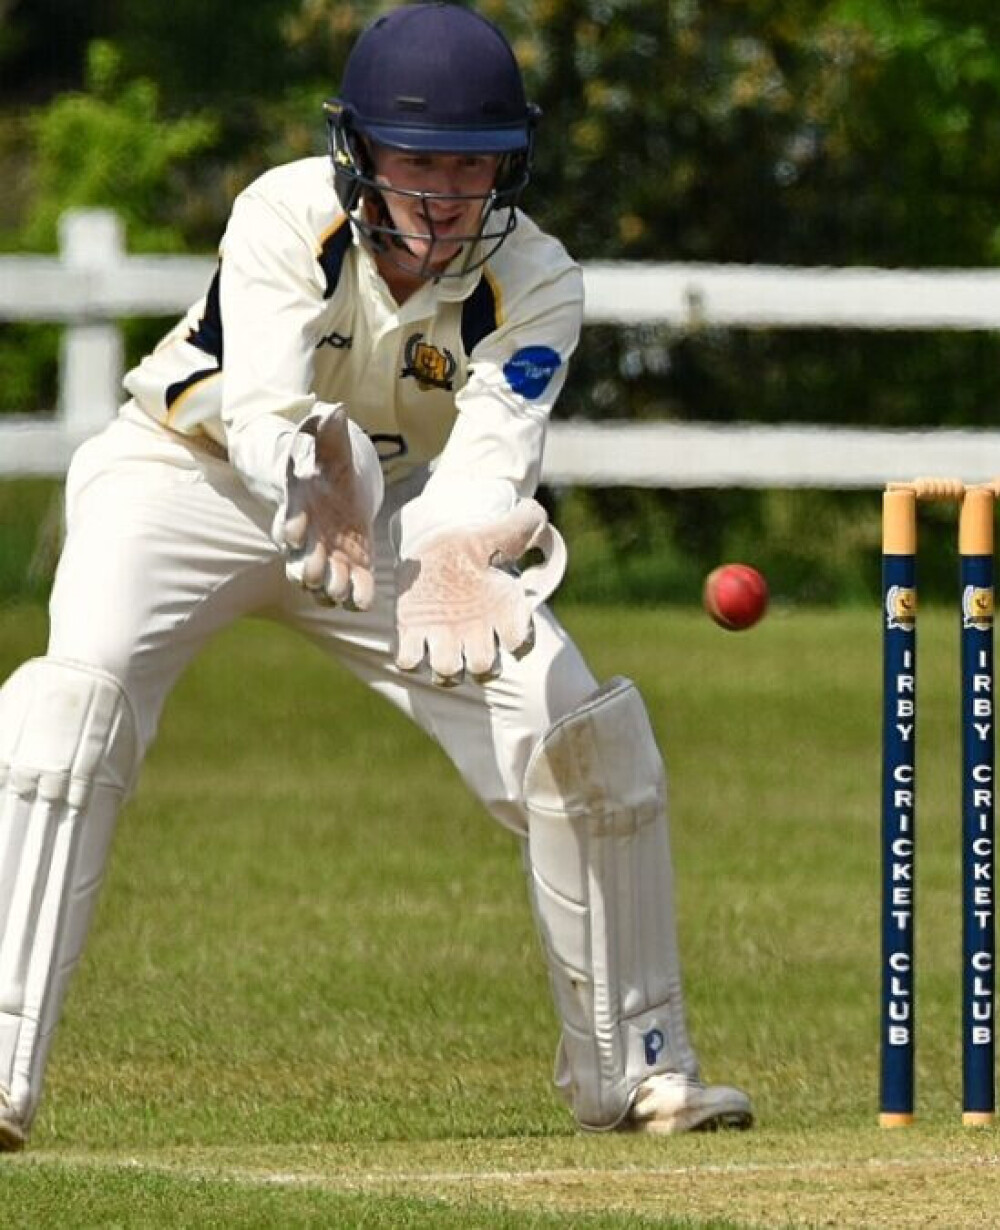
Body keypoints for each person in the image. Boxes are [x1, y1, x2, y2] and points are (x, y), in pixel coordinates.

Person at [0, 3, 752, 1151]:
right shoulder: (283, 211)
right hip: (185, 482)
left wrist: (457, 543)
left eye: (474, 164)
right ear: (358, 151)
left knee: (580, 731)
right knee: (73, 707)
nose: (447, 195)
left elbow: (495, 452)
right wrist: (314, 460)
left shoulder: (538, 278)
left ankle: (640, 1070)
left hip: (395, 518)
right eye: (420, 161)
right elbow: (261, 404)